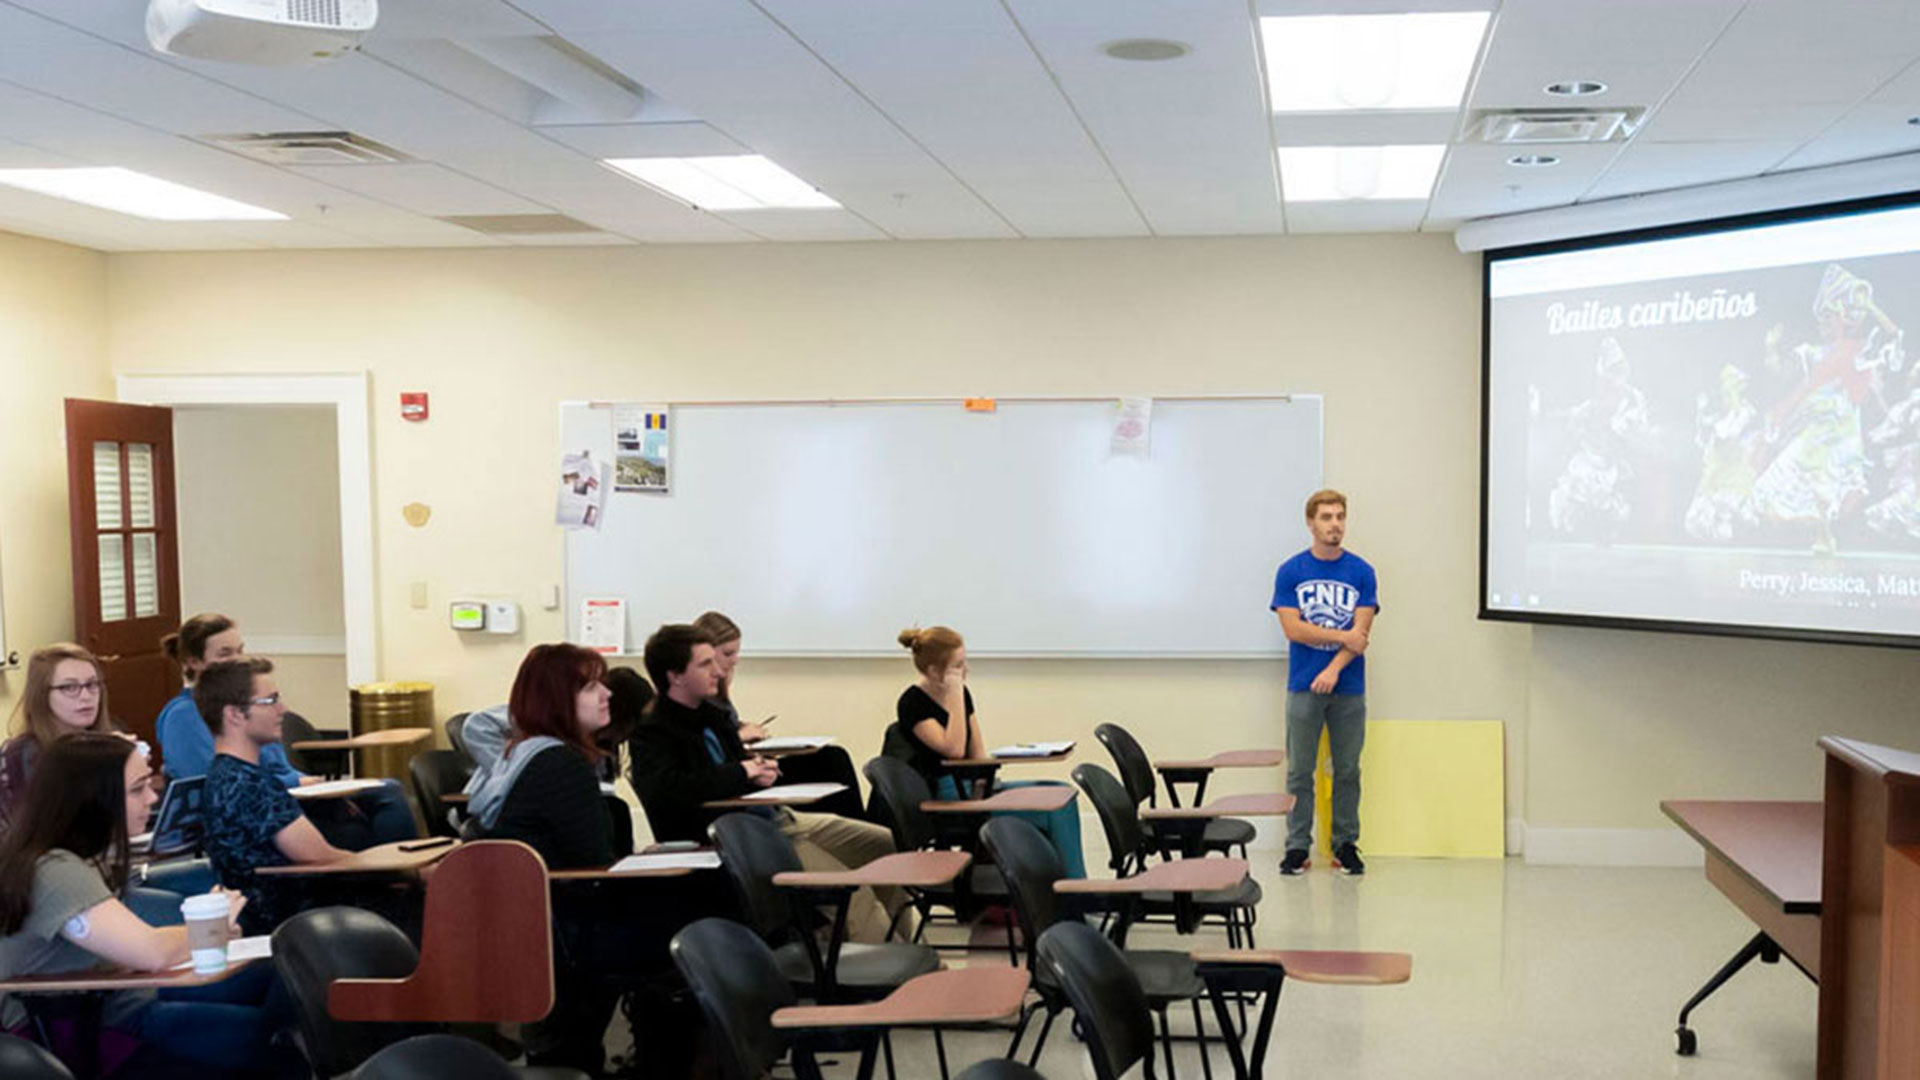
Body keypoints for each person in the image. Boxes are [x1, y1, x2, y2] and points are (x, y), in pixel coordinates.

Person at [469, 644, 709, 1074]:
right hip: (566, 928)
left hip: (548, 918)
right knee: (692, 935)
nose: (607, 695)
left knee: (685, 910)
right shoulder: (560, 764)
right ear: (557, 699)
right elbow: (595, 861)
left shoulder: (528, 752)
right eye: (591, 686)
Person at [0, 733, 301, 1077]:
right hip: (88, 1034)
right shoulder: (55, 870)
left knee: (279, 977)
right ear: (95, 798)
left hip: (115, 1008)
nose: (153, 797)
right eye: (137, 789)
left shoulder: (69, 859)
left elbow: (127, 957)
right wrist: (210, 929)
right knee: (274, 1043)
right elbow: (152, 953)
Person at [630, 623, 907, 942]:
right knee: (853, 890)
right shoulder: (653, 733)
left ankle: (902, 945)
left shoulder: (713, 715)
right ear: (674, 675)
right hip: (746, 837)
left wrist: (761, 772)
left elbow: (740, 770)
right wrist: (743, 773)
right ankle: (890, 972)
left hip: (778, 818)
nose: (718, 672)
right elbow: (670, 790)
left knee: (885, 845)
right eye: (705, 664)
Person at [155, 613, 416, 847]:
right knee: (360, 827)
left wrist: (313, 785)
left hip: (286, 796)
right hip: (252, 814)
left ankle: (400, 878)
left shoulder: (245, 707)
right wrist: (297, 782)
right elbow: (213, 784)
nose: (237, 661)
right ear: (193, 662)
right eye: (225, 654)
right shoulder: (183, 716)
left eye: (240, 651)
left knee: (384, 792)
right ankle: (399, 880)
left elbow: (279, 765)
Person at [882, 626, 1086, 877]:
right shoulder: (912, 702)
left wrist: (982, 786)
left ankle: (1068, 890)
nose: (965, 670)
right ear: (935, 671)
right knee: (1054, 808)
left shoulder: (961, 694)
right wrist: (954, 693)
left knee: (1061, 793)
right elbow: (953, 750)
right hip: (947, 794)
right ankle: (1071, 897)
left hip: (973, 787)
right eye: (958, 665)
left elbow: (977, 753)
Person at [198, 658, 351, 934]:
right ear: (234, 714)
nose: (283, 709)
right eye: (271, 701)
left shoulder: (233, 775)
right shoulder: (245, 783)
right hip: (291, 919)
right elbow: (320, 857)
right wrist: (403, 870)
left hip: (290, 908)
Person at [1272, 489, 1379, 876]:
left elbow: (1361, 633)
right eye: (1327, 517)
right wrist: (1341, 637)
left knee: (1347, 770)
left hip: (1348, 688)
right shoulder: (1291, 571)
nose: (1335, 524)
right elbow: (1292, 628)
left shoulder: (1362, 572)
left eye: (1340, 517)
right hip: (1303, 686)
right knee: (1300, 771)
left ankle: (1345, 844)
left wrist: (1334, 668)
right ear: (1311, 523)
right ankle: (1297, 847)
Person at [692, 610, 868, 822]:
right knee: (831, 761)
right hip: (739, 781)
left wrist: (742, 729)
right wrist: (740, 738)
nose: (735, 661)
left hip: (746, 769)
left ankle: (856, 825)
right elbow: (709, 751)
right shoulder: (697, 698)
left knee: (832, 757)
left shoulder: (719, 692)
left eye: (736, 653)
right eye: (728, 654)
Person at [0, 644, 125, 832]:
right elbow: (43, 832)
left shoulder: (108, 739)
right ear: (42, 695)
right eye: (69, 687)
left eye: (92, 685)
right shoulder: (21, 754)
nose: (85, 696)